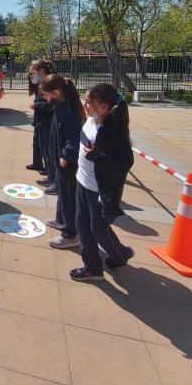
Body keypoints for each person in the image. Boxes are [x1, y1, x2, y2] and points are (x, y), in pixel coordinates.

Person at [71, 83, 135, 281]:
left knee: (98, 230)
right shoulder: (92, 119)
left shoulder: (113, 131)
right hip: (82, 181)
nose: (85, 105)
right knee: (82, 225)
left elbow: (123, 165)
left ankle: (119, 255)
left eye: (89, 102)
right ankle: (93, 267)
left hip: (99, 189)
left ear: (104, 107)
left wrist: (97, 156)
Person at [40, 74, 85, 249]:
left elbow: (73, 139)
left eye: (45, 93)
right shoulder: (60, 104)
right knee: (62, 193)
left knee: (68, 198)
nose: (44, 97)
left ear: (56, 92)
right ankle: (61, 220)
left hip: (67, 162)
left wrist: (66, 156)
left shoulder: (69, 111)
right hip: (59, 160)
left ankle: (70, 235)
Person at [26, 60, 57, 193]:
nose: (33, 75)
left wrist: (37, 106)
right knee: (43, 149)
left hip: (47, 122)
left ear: (42, 71)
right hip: (41, 121)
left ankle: (53, 178)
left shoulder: (51, 83)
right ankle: (49, 175)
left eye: (35, 72)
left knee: (49, 152)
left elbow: (51, 105)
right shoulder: (42, 83)